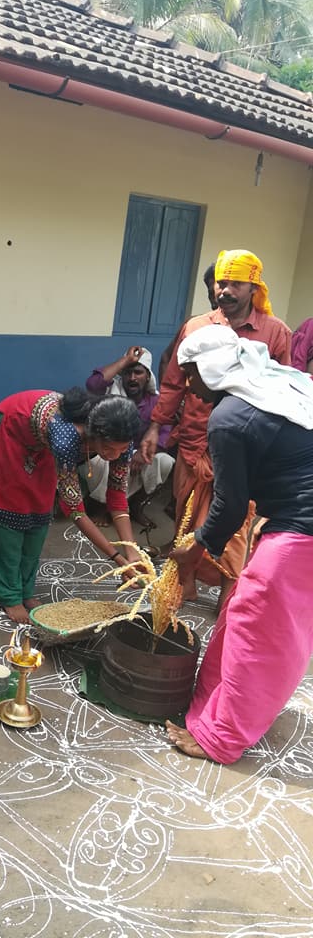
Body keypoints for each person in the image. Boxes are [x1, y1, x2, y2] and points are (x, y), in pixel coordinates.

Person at [164, 325, 313, 764]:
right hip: (295, 524)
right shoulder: (283, 385)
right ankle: (214, 709)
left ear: (211, 369)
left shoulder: (230, 418)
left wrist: (191, 554)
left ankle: (222, 739)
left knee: (259, 632)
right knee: (239, 614)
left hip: (301, 531)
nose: (189, 387)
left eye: (191, 375)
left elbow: (229, 509)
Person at [140, 249, 291, 611]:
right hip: (195, 441)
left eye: (235, 284)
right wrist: (154, 428)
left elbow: (286, 387)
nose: (225, 290)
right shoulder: (196, 327)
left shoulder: (275, 332)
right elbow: (175, 383)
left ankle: (227, 593)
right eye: (221, 283)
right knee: (186, 515)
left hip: (249, 445)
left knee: (238, 521)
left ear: (253, 286)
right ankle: (187, 583)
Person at [0, 388, 146, 625]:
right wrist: (118, 559)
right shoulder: (67, 437)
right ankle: (10, 595)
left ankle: (26, 591)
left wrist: (132, 550)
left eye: (121, 449)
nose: (114, 455)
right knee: (8, 514)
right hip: (11, 429)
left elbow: (117, 496)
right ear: (93, 434)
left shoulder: (121, 443)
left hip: (41, 443)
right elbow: (76, 510)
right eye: (108, 448)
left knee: (39, 513)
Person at [85, 346, 173, 523]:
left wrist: (143, 453)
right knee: (99, 461)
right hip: (110, 451)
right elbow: (93, 384)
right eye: (127, 372)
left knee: (165, 462)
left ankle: (136, 506)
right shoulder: (112, 393)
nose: (132, 378)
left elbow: (165, 432)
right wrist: (125, 361)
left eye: (138, 372)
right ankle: (104, 508)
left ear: (147, 376)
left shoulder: (155, 401)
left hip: (138, 455)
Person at [157, 262, 220, 385]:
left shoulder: (262, 329)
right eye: (211, 292)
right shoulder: (194, 325)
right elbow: (166, 359)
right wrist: (167, 401)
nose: (216, 296)